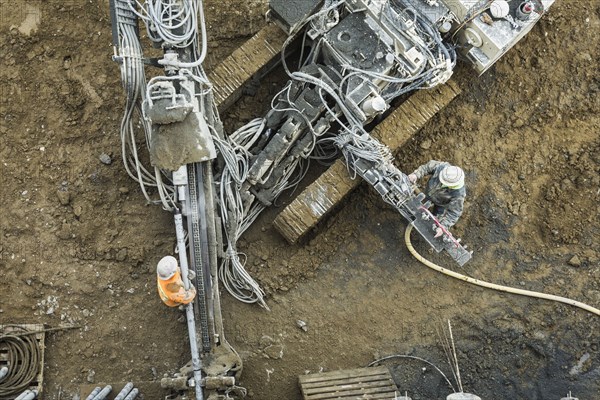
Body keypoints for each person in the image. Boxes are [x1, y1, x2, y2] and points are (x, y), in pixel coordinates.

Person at [408, 160, 466, 238]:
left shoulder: (458, 193)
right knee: (417, 207)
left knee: (433, 223)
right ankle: (411, 217)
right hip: (427, 194)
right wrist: (416, 174)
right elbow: (427, 167)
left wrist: (443, 227)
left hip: (441, 204)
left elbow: (454, 213)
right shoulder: (442, 167)